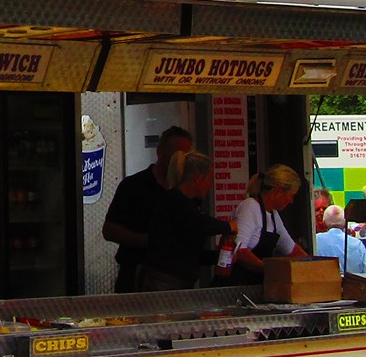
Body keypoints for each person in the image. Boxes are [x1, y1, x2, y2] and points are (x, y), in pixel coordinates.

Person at [101, 125, 193, 293]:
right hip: (136, 275)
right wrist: (151, 240)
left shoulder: (186, 191)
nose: (181, 160)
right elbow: (109, 231)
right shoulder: (134, 186)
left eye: (186, 156)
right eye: (176, 154)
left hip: (176, 278)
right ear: (159, 152)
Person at [141, 150, 229, 290]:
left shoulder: (188, 205)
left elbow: (187, 252)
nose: (209, 185)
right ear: (199, 179)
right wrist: (229, 226)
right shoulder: (174, 201)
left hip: (179, 282)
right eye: (209, 180)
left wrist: (216, 257)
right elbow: (200, 224)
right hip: (164, 284)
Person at [225, 165, 307, 282]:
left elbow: (292, 249)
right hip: (237, 285)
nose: (291, 201)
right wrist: (271, 269)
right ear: (278, 191)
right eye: (291, 195)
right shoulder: (250, 207)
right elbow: (239, 251)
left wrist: (313, 266)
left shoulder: (274, 216)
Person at [313, 204, 366, 278]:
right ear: (345, 223)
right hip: (352, 288)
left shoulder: (315, 241)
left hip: (324, 287)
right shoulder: (357, 244)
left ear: (324, 224)